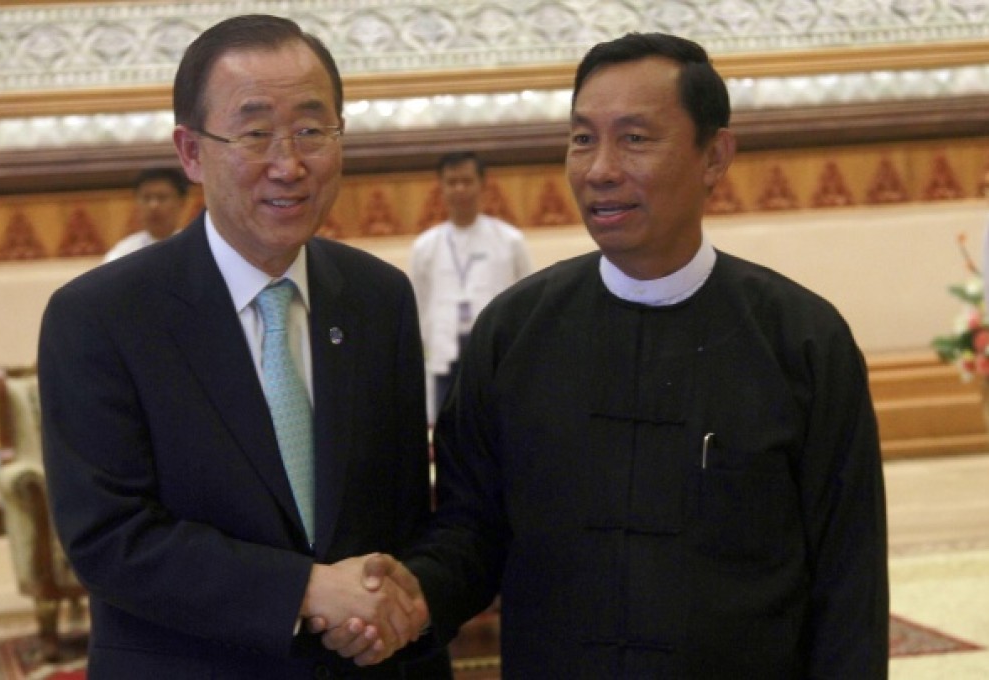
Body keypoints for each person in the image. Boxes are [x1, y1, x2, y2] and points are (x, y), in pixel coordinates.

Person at [328, 31, 890, 677]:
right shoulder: (513, 334)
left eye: (635, 138)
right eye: (583, 138)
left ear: (715, 155)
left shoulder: (802, 342)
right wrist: (414, 596)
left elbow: (850, 587)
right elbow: (471, 534)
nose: (600, 169)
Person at [38, 14, 451, 679]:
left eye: (312, 131)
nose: (288, 164)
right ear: (191, 152)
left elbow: (403, 520)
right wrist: (305, 589)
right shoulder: (100, 317)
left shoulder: (379, 300)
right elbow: (110, 537)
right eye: (255, 133)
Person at [409, 151, 532, 420]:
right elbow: (418, 304)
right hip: (445, 353)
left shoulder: (510, 240)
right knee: (448, 431)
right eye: (452, 182)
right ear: (441, 187)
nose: (460, 189)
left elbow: (528, 304)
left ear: (482, 184)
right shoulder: (425, 246)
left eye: (467, 181)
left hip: (497, 353)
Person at [103, 167, 189, 262]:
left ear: (181, 202)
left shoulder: (193, 246)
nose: (153, 206)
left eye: (162, 198)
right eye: (146, 198)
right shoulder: (124, 253)